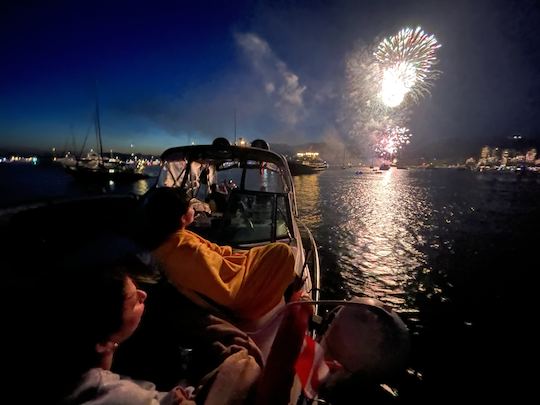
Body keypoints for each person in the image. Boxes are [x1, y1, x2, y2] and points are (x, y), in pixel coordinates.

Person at [13, 236, 261, 405]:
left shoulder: (50, 368)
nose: (144, 295)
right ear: (101, 340)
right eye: (135, 300)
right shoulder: (120, 395)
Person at [140, 187, 296, 322]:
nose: (194, 209)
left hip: (228, 272)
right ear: (182, 217)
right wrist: (241, 262)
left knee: (266, 252)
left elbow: (216, 254)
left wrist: (238, 256)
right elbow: (225, 285)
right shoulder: (186, 249)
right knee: (283, 252)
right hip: (237, 295)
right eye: (190, 207)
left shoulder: (169, 240)